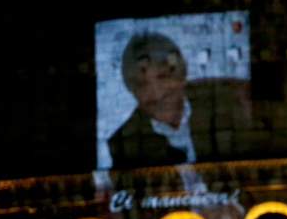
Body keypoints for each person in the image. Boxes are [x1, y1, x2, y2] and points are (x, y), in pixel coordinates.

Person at [107, 33, 253, 170]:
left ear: (181, 76)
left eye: (163, 76)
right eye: (142, 85)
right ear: (132, 91)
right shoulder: (123, 144)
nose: (157, 93)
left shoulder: (226, 108)